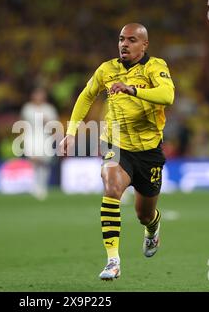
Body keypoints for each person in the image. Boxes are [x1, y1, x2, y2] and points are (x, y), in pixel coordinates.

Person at [59, 23, 175, 280]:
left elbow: (168, 96)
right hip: (116, 145)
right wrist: (71, 131)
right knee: (111, 187)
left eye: (132, 40)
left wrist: (132, 89)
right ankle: (113, 261)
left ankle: (153, 227)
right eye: (122, 39)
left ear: (144, 45)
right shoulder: (106, 69)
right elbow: (86, 95)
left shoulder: (155, 67)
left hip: (149, 150)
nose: (124, 44)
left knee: (143, 214)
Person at [21, 87, 59, 200]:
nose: (39, 97)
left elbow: (54, 125)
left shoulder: (49, 109)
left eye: (41, 94)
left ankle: (42, 186)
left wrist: (47, 122)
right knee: (34, 160)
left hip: (45, 138)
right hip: (31, 137)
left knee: (44, 163)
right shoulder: (27, 108)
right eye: (37, 94)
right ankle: (35, 186)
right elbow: (23, 123)